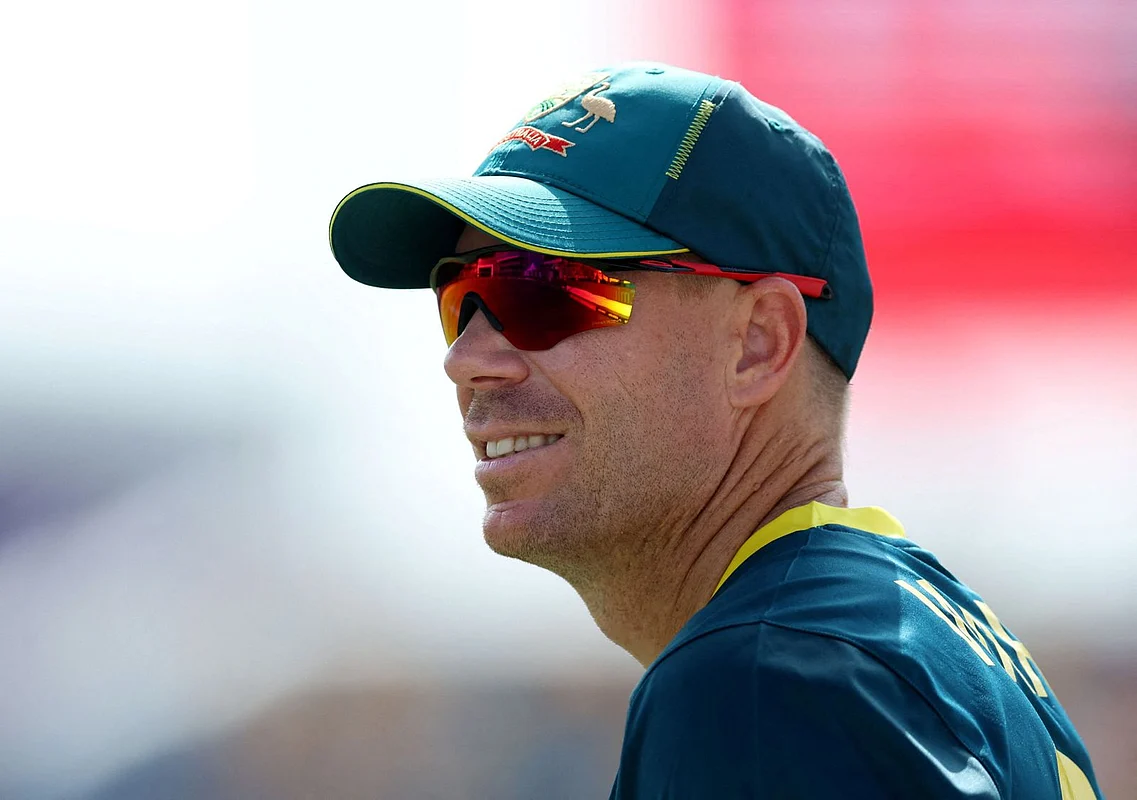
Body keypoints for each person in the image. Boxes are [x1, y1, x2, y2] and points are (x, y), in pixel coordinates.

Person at [327, 62, 1102, 798]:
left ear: (757, 343)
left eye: (542, 290)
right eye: (459, 297)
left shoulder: (771, 678)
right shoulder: (905, 638)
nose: (465, 360)